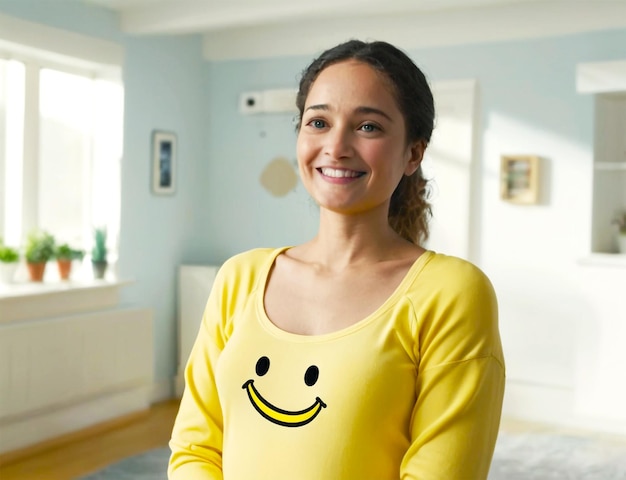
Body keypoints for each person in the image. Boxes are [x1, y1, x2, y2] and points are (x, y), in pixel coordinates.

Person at [168, 39, 505, 480]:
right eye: (319, 122)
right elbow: (194, 448)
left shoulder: (451, 293)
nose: (337, 145)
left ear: (413, 153)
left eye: (368, 127)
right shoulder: (241, 277)